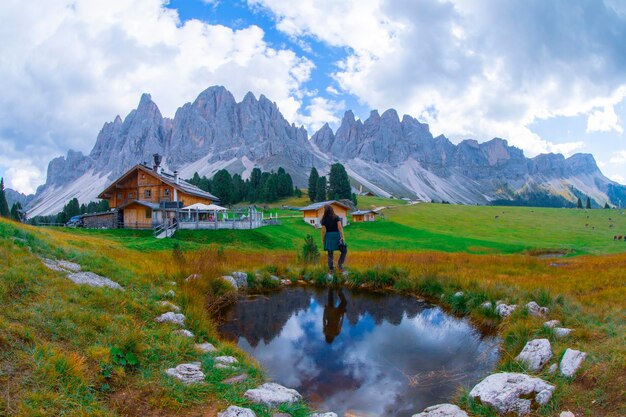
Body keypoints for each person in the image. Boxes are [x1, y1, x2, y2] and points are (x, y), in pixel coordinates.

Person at [321, 204, 347, 273]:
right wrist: (342, 237)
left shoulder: (324, 219)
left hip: (328, 236)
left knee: (330, 253)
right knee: (344, 251)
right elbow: (340, 227)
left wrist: (323, 239)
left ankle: (331, 269)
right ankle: (339, 265)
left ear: (325, 211)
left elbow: (323, 231)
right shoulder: (336, 217)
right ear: (332, 210)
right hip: (336, 236)